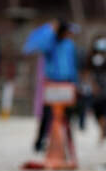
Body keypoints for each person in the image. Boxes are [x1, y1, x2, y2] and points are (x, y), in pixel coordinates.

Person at [23, 19, 78, 152]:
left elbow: (72, 64)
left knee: (66, 115)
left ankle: (64, 142)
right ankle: (41, 141)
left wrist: (74, 82)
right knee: (48, 114)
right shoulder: (50, 42)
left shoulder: (69, 45)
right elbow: (31, 48)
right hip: (52, 82)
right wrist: (49, 30)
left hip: (66, 82)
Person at [82, 35, 106, 140]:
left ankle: (104, 128)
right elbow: (86, 72)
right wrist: (90, 84)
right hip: (97, 89)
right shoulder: (90, 57)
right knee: (98, 111)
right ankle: (103, 128)